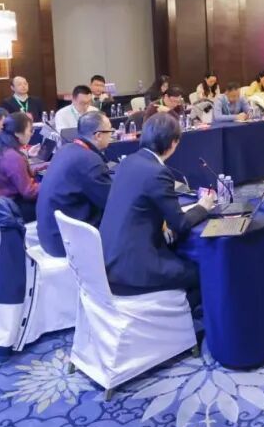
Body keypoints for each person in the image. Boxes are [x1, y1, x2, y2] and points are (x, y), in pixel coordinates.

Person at [100, 113, 215, 299]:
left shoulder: (128, 161)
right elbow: (181, 225)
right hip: (135, 270)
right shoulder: (158, 172)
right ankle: (186, 317)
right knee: (204, 271)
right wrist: (203, 206)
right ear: (174, 142)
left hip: (108, 261)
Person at [35, 111, 114, 257]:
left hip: (50, 234)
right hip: (65, 242)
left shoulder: (66, 149)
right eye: (110, 131)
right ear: (98, 135)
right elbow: (111, 203)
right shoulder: (90, 161)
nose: (112, 135)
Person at [0, 112, 40, 222]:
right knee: (52, 201)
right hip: (9, 210)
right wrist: (49, 183)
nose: (31, 134)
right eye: (30, 130)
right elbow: (29, 192)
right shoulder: (12, 156)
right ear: (17, 133)